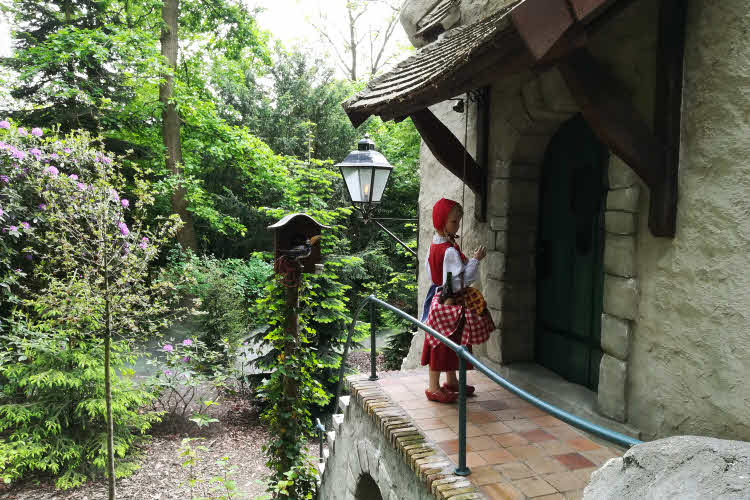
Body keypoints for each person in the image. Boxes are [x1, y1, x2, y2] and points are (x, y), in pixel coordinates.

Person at [420, 198, 493, 403]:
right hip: (449, 300)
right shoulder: (450, 250)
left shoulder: (435, 245)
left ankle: (451, 381)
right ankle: (433, 387)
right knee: (443, 343)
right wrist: (476, 261)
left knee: (447, 342)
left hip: (435, 295)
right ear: (441, 221)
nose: (457, 225)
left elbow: (431, 271)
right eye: (453, 222)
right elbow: (460, 281)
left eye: (458, 221)